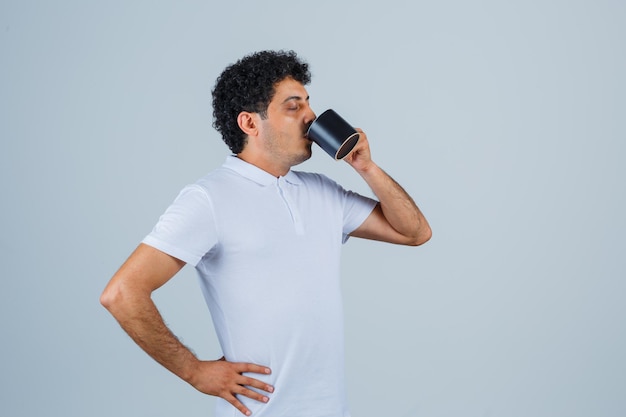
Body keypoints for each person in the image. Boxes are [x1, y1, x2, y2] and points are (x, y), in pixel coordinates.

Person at [100, 50, 431, 417]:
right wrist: (195, 373)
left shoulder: (323, 192)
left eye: (308, 103)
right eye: (293, 107)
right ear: (249, 123)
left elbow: (414, 232)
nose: (311, 117)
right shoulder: (208, 199)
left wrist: (366, 167)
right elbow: (122, 293)